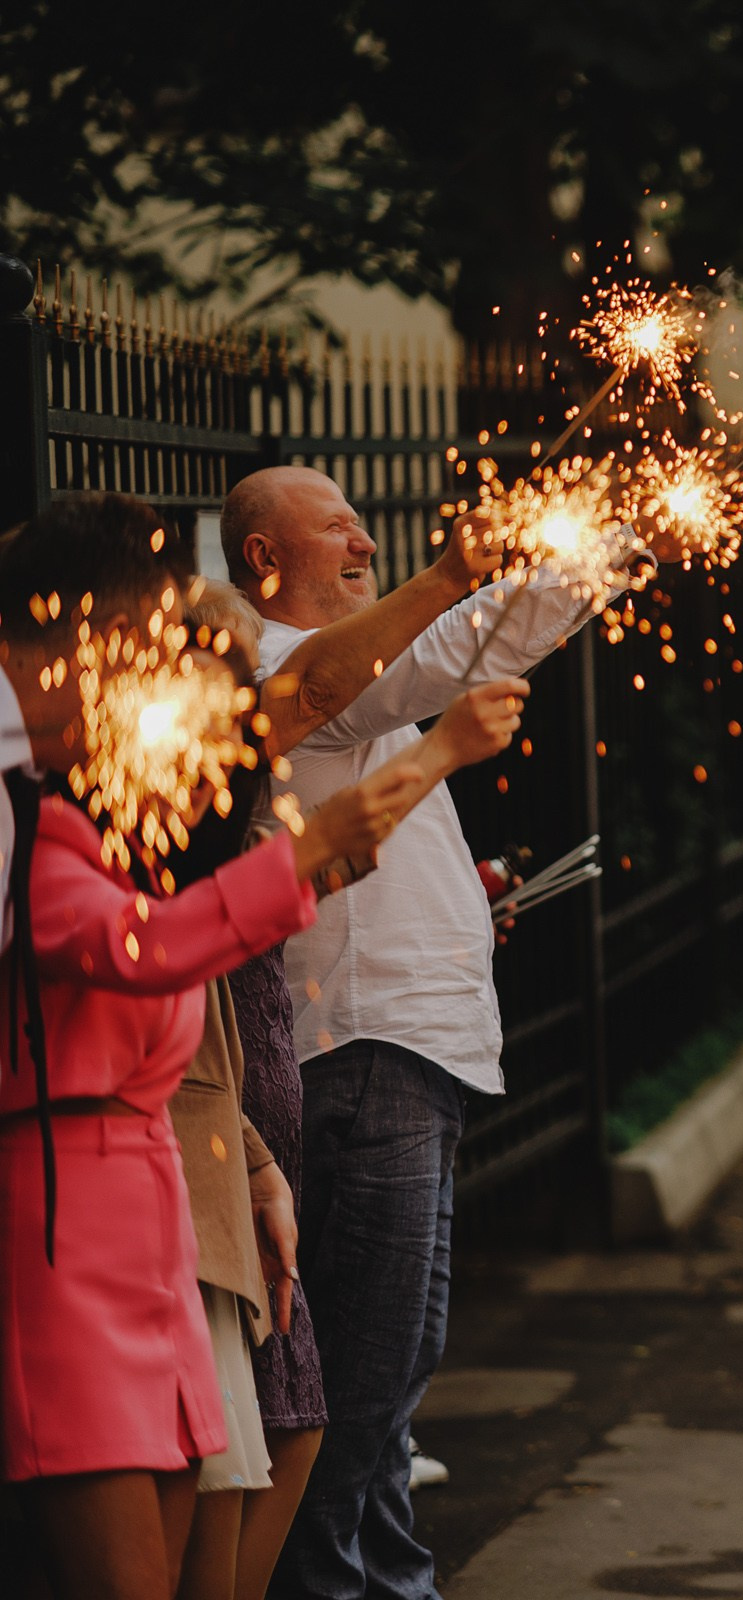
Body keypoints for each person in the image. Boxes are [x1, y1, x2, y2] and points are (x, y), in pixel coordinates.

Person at [0, 495, 415, 1599]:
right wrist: (305, 857)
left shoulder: (96, 814)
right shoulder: (29, 824)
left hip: (158, 1219)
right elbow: (135, 947)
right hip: (64, 1227)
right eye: (140, 632)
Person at [220, 466, 613, 1600]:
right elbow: (449, 656)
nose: (359, 536)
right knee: (362, 1383)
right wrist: (530, 557)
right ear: (263, 559)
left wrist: (613, 535)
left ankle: (393, 1583)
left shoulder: (358, 670)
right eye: (330, 524)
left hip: (411, 1055)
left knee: (391, 1385)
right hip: (357, 1061)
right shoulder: (277, 668)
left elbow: (455, 659)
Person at [166, 581, 527, 1600]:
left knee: (335, 1413)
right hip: (205, 1154)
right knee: (324, 1420)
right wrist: (444, 745)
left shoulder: (218, 788)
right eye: (229, 665)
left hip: (253, 1138)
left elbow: (312, 872)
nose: (248, 689)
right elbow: (304, 865)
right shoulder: (298, 677)